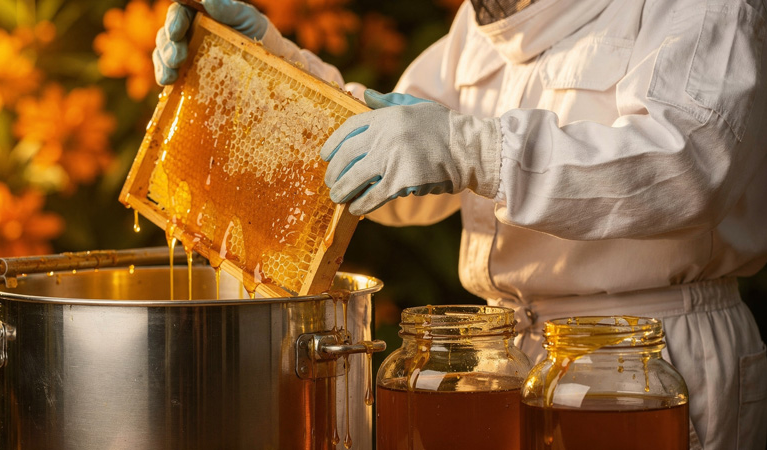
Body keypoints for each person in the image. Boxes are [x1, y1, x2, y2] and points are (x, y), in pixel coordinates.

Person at [153, 0, 767, 448]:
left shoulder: (699, 8)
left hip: (644, 358)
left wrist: (471, 149)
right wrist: (270, 62)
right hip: (505, 356)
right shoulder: (483, 25)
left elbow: (685, 168)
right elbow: (391, 173)